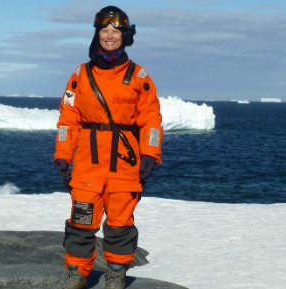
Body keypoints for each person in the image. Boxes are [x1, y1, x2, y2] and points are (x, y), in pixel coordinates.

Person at [53, 5, 163, 289]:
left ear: (125, 36)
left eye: (116, 31)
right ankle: (76, 274)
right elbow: (69, 119)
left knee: (120, 224)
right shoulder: (81, 75)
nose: (110, 35)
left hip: (125, 164)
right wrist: (63, 154)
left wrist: (150, 152)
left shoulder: (139, 77)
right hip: (88, 164)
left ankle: (116, 273)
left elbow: (151, 119)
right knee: (80, 223)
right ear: (97, 33)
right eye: (105, 30)